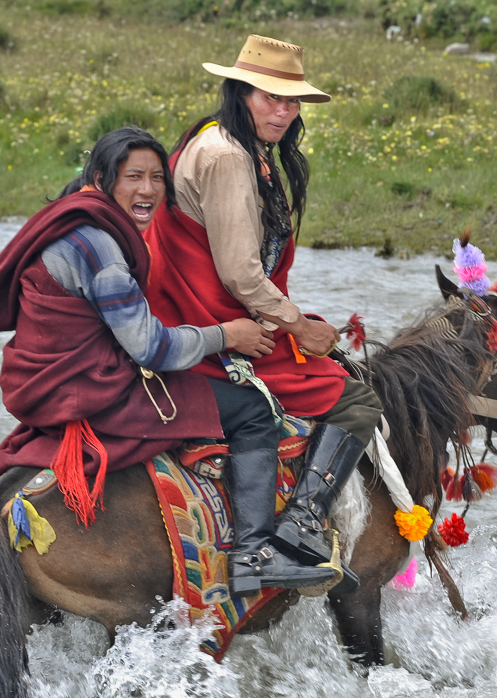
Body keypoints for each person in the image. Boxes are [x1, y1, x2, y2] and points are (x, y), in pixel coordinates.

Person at [0, 126, 339, 595]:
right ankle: (254, 556)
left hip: (51, 381)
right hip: (92, 387)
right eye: (133, 176)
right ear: (102, 179)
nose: (148, 190)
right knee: (252, 411)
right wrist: (227, 335)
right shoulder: (100, 248)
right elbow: (149, 348)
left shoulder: (71, 220)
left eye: (158, 178)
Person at [145, 36, 384, 592]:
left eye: (291, 101)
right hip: (216, 323)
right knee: (356, 398)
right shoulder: (229, 156)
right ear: (241, 92)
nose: (282, 111)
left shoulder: (225, 142)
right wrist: (298, 326)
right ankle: (297, 531)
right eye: (269, 97)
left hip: (203, 311)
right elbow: (240, 275)